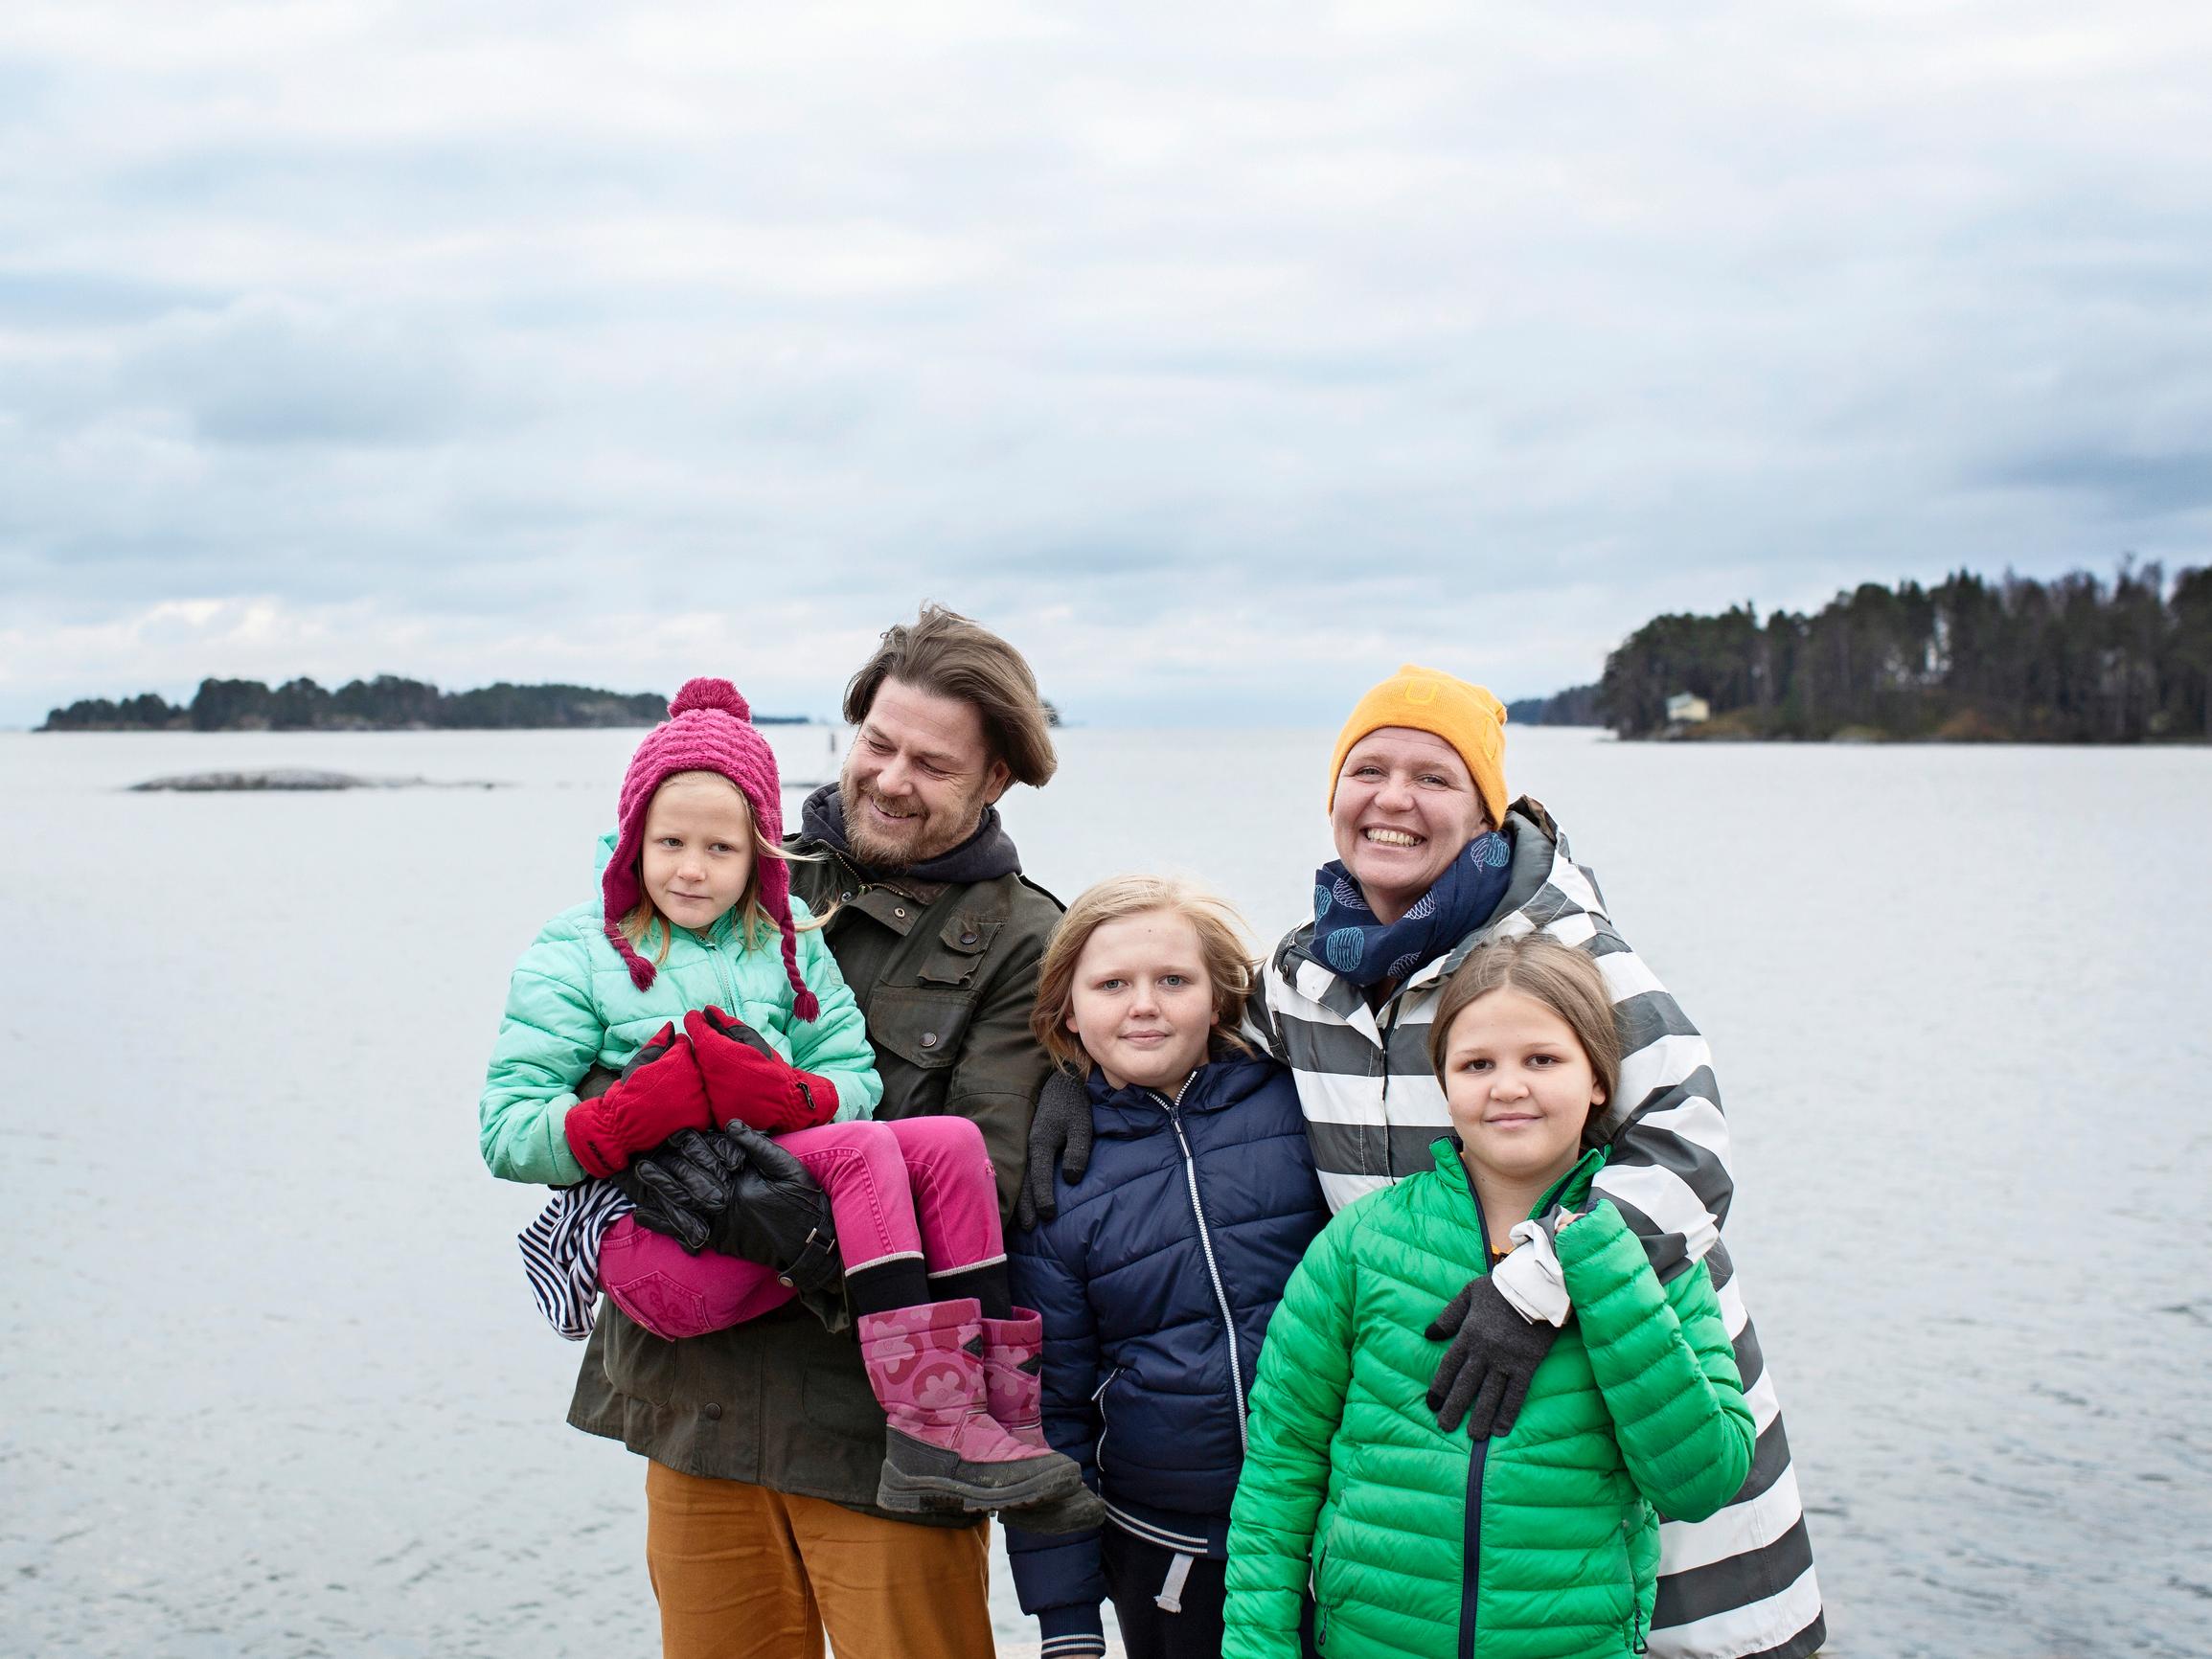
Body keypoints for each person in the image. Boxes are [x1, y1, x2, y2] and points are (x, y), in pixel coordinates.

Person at [1025, 664, 1823, 1659]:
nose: (1392, 799)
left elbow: (1687, 1146)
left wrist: (1534, 1281)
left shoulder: (1564, 951)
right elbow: (1187, 1047)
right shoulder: (1304, 974)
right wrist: (1070, 1080)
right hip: (1419, 1447)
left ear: (1485, 810)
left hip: (1621, 1381)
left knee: (1669, 1629)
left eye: (1433, 777)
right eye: (1367, 770)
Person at [565, 605, 1066, 1659]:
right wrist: (633, 1130)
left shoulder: (1028, 941)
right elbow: (590, 1036)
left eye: (932, 764)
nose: (890, 779)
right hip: (695, 1406)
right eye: (877, 744)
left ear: (994, 780)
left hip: (880, 1443)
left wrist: (760, 1205)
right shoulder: (729, 865)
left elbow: (987, 1180)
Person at [486, 675, 1088, 1524]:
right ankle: (933, 1422)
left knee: (948, 1142)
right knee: (869, 1149)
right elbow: (509, 1128)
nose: (691, 868)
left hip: (809, 1333)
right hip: (668, 1281)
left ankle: (988, 1416)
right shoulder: (587, 948)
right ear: (632, 840)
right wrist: (628, 1114)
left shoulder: (791, 939)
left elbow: (861, 1088)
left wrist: (786, 1094)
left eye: (720, 848)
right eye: (879, 744)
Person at [1221, 934, 1757, 1659]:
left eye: (1542, 1060)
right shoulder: (1362, 1243)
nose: (1507, 1087)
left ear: (1599, 1080)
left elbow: (1701, 1483)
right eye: (1477, 1064)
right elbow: (1281, 1468)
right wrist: (1257, 1647)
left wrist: (1599, 1266)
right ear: (1443, 1083)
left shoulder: (1656, 1254)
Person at [1005, 876, 1331, 1659]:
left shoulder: (1303, 1109)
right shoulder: (1056, 1183)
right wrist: (1066, 1618)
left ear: (1219, 1000)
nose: (1144, 1006)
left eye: (1174, 981)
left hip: (1339, 1526)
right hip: (1170, 1551)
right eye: (1111, 985)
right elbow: (1050, 1411)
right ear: (1068, 1011)